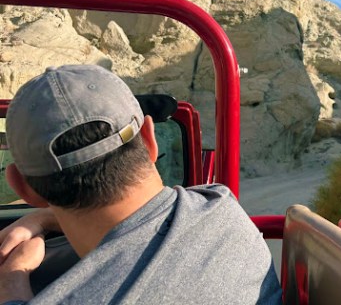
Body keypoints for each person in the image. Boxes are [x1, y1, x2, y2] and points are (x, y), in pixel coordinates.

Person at [0, 64, 282, 304]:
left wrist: (11, 278)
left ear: (22, 188)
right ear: (149, 139)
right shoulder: (221, 207)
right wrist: (44, 220)